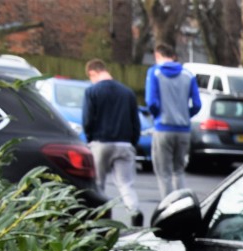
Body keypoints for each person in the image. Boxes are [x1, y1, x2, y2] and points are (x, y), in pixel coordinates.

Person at [82, 59, 144, 226]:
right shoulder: (127, 93)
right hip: (124, 144)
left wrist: (89, 139)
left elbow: (88, 120)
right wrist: (133, 142)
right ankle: (134, 211)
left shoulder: (92, 92)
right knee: (126, 184)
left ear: (92, 73)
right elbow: (135, 122)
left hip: (100, 143)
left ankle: (102, 217)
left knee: (98, 184)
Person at [145, 43, 201, 199]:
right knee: (178, 171)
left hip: (163, 128)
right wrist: (185, 115)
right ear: (173, 56)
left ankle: (168, 207)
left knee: (164, 173)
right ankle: (181, 204)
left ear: (158, 56)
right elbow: (197, 104)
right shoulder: (188, 75)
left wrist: (158, 116)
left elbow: (151, 102)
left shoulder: (154, 72)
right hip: (183, 130)